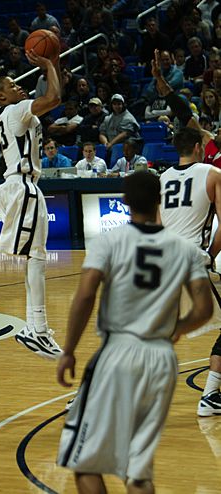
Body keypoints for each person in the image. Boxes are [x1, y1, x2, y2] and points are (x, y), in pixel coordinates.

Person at [56, 170, 213, 494]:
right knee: (138, 474)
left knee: (85, 463)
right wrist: (176, 328)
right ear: (161, 200)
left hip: (118, 353)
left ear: (124, 201)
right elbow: (204, 310)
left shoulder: (110, 241)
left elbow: (85, 295)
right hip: (162, 359)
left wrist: (69, 349)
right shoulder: (184, 248)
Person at [151, 49, 221, 417]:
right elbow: (184, 114)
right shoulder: (211, 160)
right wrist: (165, 87)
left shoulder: (167, 175)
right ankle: (211, 395)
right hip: (202, 243)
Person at [0, 49, 63, 360]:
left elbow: (51, 92)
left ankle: (36, 327)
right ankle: (38, 329)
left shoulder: (18, 112)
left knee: (36, 257)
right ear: (2, 97)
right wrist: (47, 64)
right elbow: (55, 98)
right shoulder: (16, 110)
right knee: (37, 257)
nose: (18, 85)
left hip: (21, 186)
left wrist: (53, 63)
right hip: (22, 186)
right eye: (11, 84)